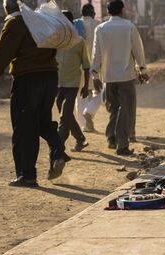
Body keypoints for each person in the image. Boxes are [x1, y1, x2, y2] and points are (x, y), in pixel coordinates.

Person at [0, 0, 70, 187]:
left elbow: (1, 55)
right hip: (50, 78)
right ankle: (58, 150)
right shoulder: (39, 20)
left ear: (8, 7)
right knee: (42, 121)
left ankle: (27, 175)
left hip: (27, 81)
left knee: (24, 128)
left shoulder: (14, 23)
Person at [91, 0, 147, 156]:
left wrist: (95, 75)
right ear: (122, 11)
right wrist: (142, 69)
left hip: (108, 77)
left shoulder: (100, 29)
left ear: (108, 12)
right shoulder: (129, 27)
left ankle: (111, 138)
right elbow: (138, 50)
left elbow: (96, 54)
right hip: (126, 76)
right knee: (125, 110)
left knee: (113, 108)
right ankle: (122, 145)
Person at [56, 10, 90, 152]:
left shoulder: (80, 41)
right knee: (66, 115)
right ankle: (80, 139)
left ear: (70, 23)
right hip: (57, 83)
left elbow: (86, 66)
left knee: (65, 114)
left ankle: (58, 145)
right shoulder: (55, 41)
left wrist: (86, 86)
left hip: (72, 83)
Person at [74, 3, 100, 132]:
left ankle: (83, 125)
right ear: (93, 13)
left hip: (79, 66)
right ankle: (89, 111)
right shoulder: (98, 25)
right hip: (96, 66)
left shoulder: (74, 24)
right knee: (100, 92)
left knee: (80, 95)